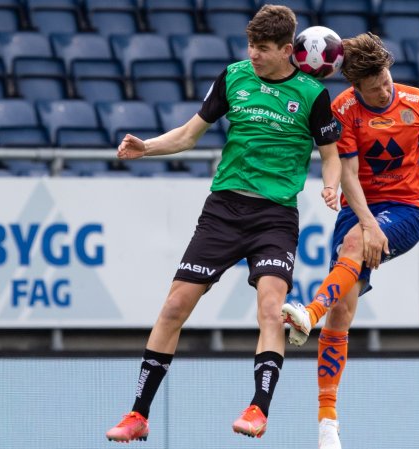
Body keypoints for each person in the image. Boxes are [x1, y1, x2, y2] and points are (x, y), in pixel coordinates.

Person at [105, 5, 342, 442]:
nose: (254, 54)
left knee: (272, 308)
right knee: (174, 307)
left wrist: (331, 186)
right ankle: (138, 415)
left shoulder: (312, 93)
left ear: (288, 50)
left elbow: (331, 155)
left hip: (275, 217)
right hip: (223, 210)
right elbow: (189, 133)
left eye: (264, 49)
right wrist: (147, 147)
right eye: (251, 45)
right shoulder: (233, 76)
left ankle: (258, 408)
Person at [280, 33, 419, 449]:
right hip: (360, 209)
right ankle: (328, 422)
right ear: (356, 87)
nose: (384, 90)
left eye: (386, 79)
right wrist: (367, 223)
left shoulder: (416, 101)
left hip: (405, 210)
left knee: (350, 247)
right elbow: (347, 172)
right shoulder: (344, 109)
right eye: (374, 87)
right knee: (342, 311)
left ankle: (309, 310)